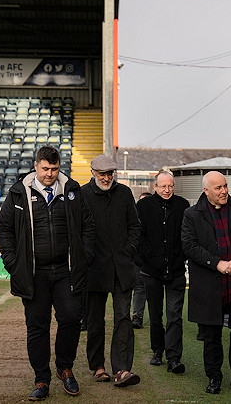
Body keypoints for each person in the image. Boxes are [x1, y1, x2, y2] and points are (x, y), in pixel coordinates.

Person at [0, 145, 95, 401]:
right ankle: (41, 379)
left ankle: (65, 368)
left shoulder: (72, 191)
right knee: (37, 327)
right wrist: (13, 263)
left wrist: (84, 257)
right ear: (36, 166)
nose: (50, 174)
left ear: (59, 167)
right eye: (45, 168)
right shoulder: (19, 193)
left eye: (54, 169)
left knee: (72, 318)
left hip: (66, 270)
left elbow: (87, 226)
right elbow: (4, 229)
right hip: (34, 273)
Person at [181, 171, 231, 398]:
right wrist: (216, 263)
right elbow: (189, 246)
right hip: (209, 286)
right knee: (211, 335)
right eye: (218, 188)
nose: (224, 191)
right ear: (206, 191)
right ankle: (214, 376)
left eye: (225, 186)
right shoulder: (191, 215)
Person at [81, 154, 142, 387]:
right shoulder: (83, 195)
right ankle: (97, 367)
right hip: (94, 269)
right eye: (101, 174)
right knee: (95, 320)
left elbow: (135, 227)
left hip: (122, 268)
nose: (106, 178)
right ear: (93, 173)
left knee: (123, 318)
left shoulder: (125, 193)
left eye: (109, 174)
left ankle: (122, 370)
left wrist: (128, 251)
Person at [136, 171, 189, 372]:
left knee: (174, 315)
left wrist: (180, 256)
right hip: (152, 272)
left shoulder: (183, 206)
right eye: (163, 186)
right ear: (155, 187)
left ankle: (174, 357)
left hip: (175, 271)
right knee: (156, 315)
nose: (167, 190)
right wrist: (149, 258)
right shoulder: (143, 207)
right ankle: (158, 351)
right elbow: (137, 236)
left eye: (170, 186)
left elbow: (187, 235)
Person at [132, 191, 153, 329]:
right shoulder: (134, 222)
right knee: (140, 288)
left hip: (153, 262)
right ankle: (137, 316)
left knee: (152, 291)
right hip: (138, 261)